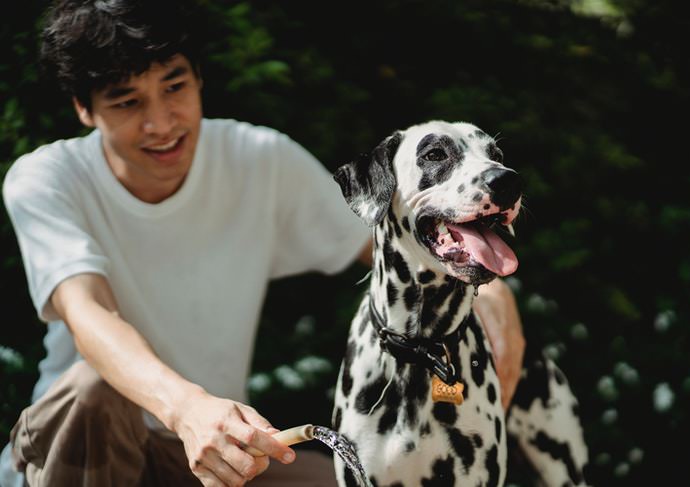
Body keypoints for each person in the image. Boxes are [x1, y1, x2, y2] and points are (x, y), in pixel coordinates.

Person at [0, 1, 526, 486]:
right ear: (85, 109)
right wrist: (186, 409)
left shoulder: (260, 159)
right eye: (127, 101)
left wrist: (494, 293)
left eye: (175, 87)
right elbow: (89, 312)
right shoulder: (47, 178)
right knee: (91, 391)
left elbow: (395, 238)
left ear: (200, 78)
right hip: (92, 452)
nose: (160, 122)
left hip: (220, 456)